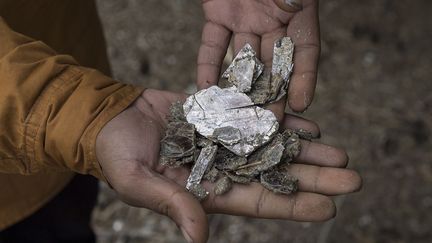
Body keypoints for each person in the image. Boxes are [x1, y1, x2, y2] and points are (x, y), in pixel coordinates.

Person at [0, 0, 361, 242]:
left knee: (66, 208)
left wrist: (82, 109)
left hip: (57, 49)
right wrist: (68, 110)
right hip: (13, 183)